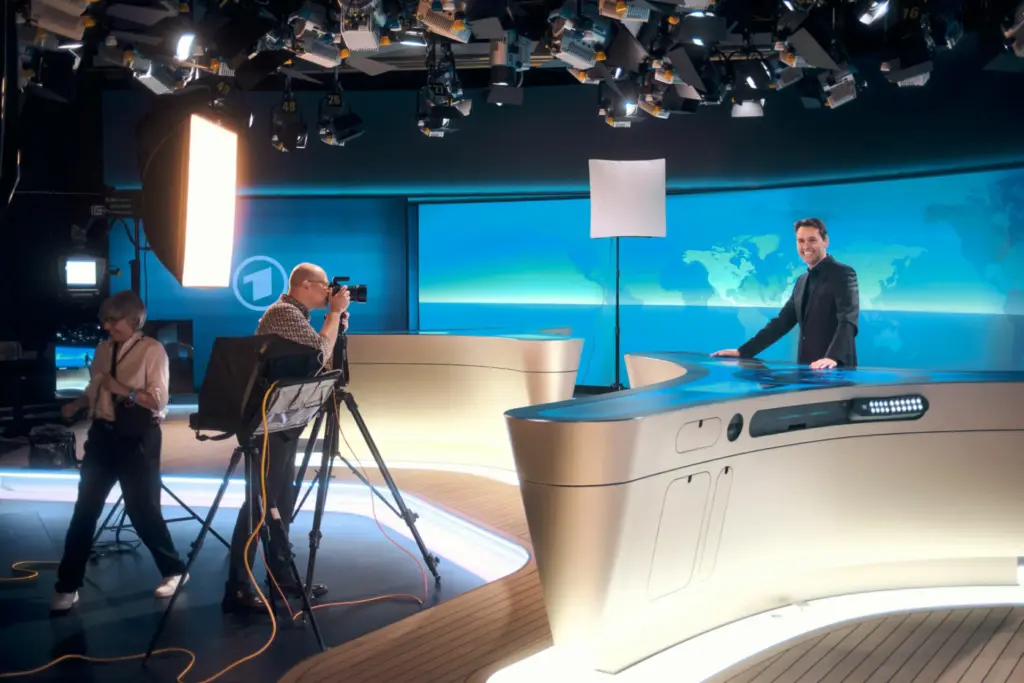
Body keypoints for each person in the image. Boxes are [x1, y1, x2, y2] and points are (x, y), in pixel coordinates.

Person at [222, 263, 350, 615]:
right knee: (260, 505)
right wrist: (334, 315)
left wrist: (335, 323)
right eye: (325, 286)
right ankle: (237, 588)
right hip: (265, 422)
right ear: (306, 285)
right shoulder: (282, 313)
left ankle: (280, 577)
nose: (329, 293)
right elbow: (319, 353)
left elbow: (317, 365)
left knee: (280, 500)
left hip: (281, 421)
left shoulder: (298, 316)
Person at [52, 291, 187, 613]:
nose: (108, 327)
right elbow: (95, 388)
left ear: (134, 320)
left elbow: (158, 401)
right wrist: (78, 404)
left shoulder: (152, 351)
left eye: (113, 321)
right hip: (102, 438)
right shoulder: (101, 350)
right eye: (106, 321)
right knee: (84, 512)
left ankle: (174, 571)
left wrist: (122, 390)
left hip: (137, 438)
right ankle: (67, 585)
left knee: (142, 511)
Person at [712, 218, 860, 369]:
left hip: (835, 370)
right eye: (800, 241)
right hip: (806, 369)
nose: (806, 246)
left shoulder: (843, 273)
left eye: (812, 240)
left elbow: (847, 319)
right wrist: (743, 351)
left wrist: (832, 357)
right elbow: (782, 322)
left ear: (825, 241)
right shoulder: (802, 281)